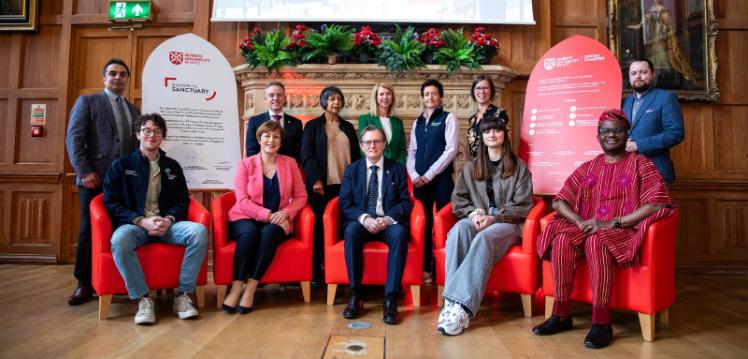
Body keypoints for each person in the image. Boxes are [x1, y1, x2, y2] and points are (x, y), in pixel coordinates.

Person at [532, 109, 675, 349]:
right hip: (588, 225)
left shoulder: (641, 163)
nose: (611, 135)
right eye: (606, 131)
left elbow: (657, 202)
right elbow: (559, 200)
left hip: (624, 229)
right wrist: (578, 221)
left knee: (596, 241)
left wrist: (612, 223)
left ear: (626, 134)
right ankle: (562, 315)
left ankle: (601, 323)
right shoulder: (589, 166)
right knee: (562, 239)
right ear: (598, 136)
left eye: (617, 130)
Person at [103, 113, 209, 325]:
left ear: (163, 136)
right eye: (147, 131)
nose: (152, 135)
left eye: (157, 131)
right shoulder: (121, 166)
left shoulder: (172, 166)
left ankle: (183, 296)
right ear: (138, 134)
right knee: (119, 240)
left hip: (167, 226)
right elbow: (111, 202)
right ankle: (143, 298)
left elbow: (182, 201)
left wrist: (168, 220)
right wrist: (140, 221)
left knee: (199, 232)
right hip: (135, 227)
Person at [438, 115, 533, 336]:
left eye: (497, 130)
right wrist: (472, 214)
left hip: (507, 224)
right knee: (459, 230)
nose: (492, 134)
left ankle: (460, 307)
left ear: (504, 134)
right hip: (479, 219)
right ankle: (452, 306)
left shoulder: (519, 168)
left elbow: (523, 205)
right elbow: (458, 200)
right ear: (481, 136)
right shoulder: (471, 168)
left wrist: (495, 218)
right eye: (487, 131)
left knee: (485, 238)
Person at [65, 58, 140, 306]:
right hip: (93, 180)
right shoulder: (88, 102)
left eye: (122, 74)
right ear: (104, 78)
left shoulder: (133, 110)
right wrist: (84, 172)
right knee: (89, 229)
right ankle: (84, 283)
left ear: (128, 80)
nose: (118, 78)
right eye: (113, 74)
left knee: (119, 229)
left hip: (122, 183)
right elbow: (74, 139)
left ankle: (112, 280)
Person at [223, 120, 308, 314]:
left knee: (270, 234)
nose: (271, 140)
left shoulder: (290, 163)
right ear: (259, 139)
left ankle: (251, 288)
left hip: (278, 217)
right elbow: (242, 200)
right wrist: (267, 215)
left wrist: (286, 213)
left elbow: (302, 196)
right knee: (250, 233)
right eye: (267, 136)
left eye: (276, 136)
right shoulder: (245, 164)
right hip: (245, 216)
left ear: (281, 141)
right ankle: (236, 286)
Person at [338, 126, 413, 324]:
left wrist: (388, 219)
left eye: (377, 141)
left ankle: (390, 297)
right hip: (362, 222)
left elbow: (406, 202)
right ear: (362, 146)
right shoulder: (352, 170)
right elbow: (344, 203)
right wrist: (364, 218)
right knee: (352, 231)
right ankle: (356, 294)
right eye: (368, 142)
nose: (373, 145)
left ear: (383, 145)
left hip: (386, 222)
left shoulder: (396, 169)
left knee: (400, 234)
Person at [301, 86, 361, 286]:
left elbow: (356, 158)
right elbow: (306, 156)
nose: (336, 102)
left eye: (339, 99)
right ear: (323, 101)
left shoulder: (348, 128)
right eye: (332, 99)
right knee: (319, 228)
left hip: (345, 187)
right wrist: (316, 179)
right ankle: (317, 270)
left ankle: (340, 269)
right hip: (322, 187)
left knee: (342, 228)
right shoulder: (313, 126)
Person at [407, 79, 458, 280]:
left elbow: (451, 150)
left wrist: (429, 174)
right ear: (422, 98)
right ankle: (426, 268)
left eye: (434, 93)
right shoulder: (417, 122)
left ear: (440, 97)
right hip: (419, 182)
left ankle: (444, 269)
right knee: (424, 223)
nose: (430, 97)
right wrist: (414, 175)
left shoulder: (448, 118)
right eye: (427, 94)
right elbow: (412, 151)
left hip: (441, 180)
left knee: (444, 223)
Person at [622, 58, 685, 186]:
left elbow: (675, 133)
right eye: (633, 73)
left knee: (655, 207)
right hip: (628, 173)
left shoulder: (665, 98)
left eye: (643, 72)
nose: (638, 76)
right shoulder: (625, 102)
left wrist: (638, 145)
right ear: (629, 77)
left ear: (652, 74)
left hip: (656, 171)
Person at [245, 81, 304, 162]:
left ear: (284, 99)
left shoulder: (296, 123)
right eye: (271, 95)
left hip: (288, 170)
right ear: (266, 99)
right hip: (262, 170)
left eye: (279, 95)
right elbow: (251, 151)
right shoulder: (254, 121)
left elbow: (299, 151)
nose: (275, 98)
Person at [357, 82, 407, 165]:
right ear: (376, 97)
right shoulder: (365, 119)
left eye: (388, 94)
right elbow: (363, 147)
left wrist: (397, 167)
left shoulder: (398, 122)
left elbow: (402, 150)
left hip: (395, 170)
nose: (385, 97)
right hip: (374, 169)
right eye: (381, 94)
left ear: (392, 98)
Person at [466, 75, 509, 159]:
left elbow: (505, 143)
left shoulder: (499, 113)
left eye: (485, 88)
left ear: (491, 91)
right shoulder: (472, 119)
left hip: (493, 164)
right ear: (473, 91)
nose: (482, 91)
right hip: (475, 165)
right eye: (478, 88)